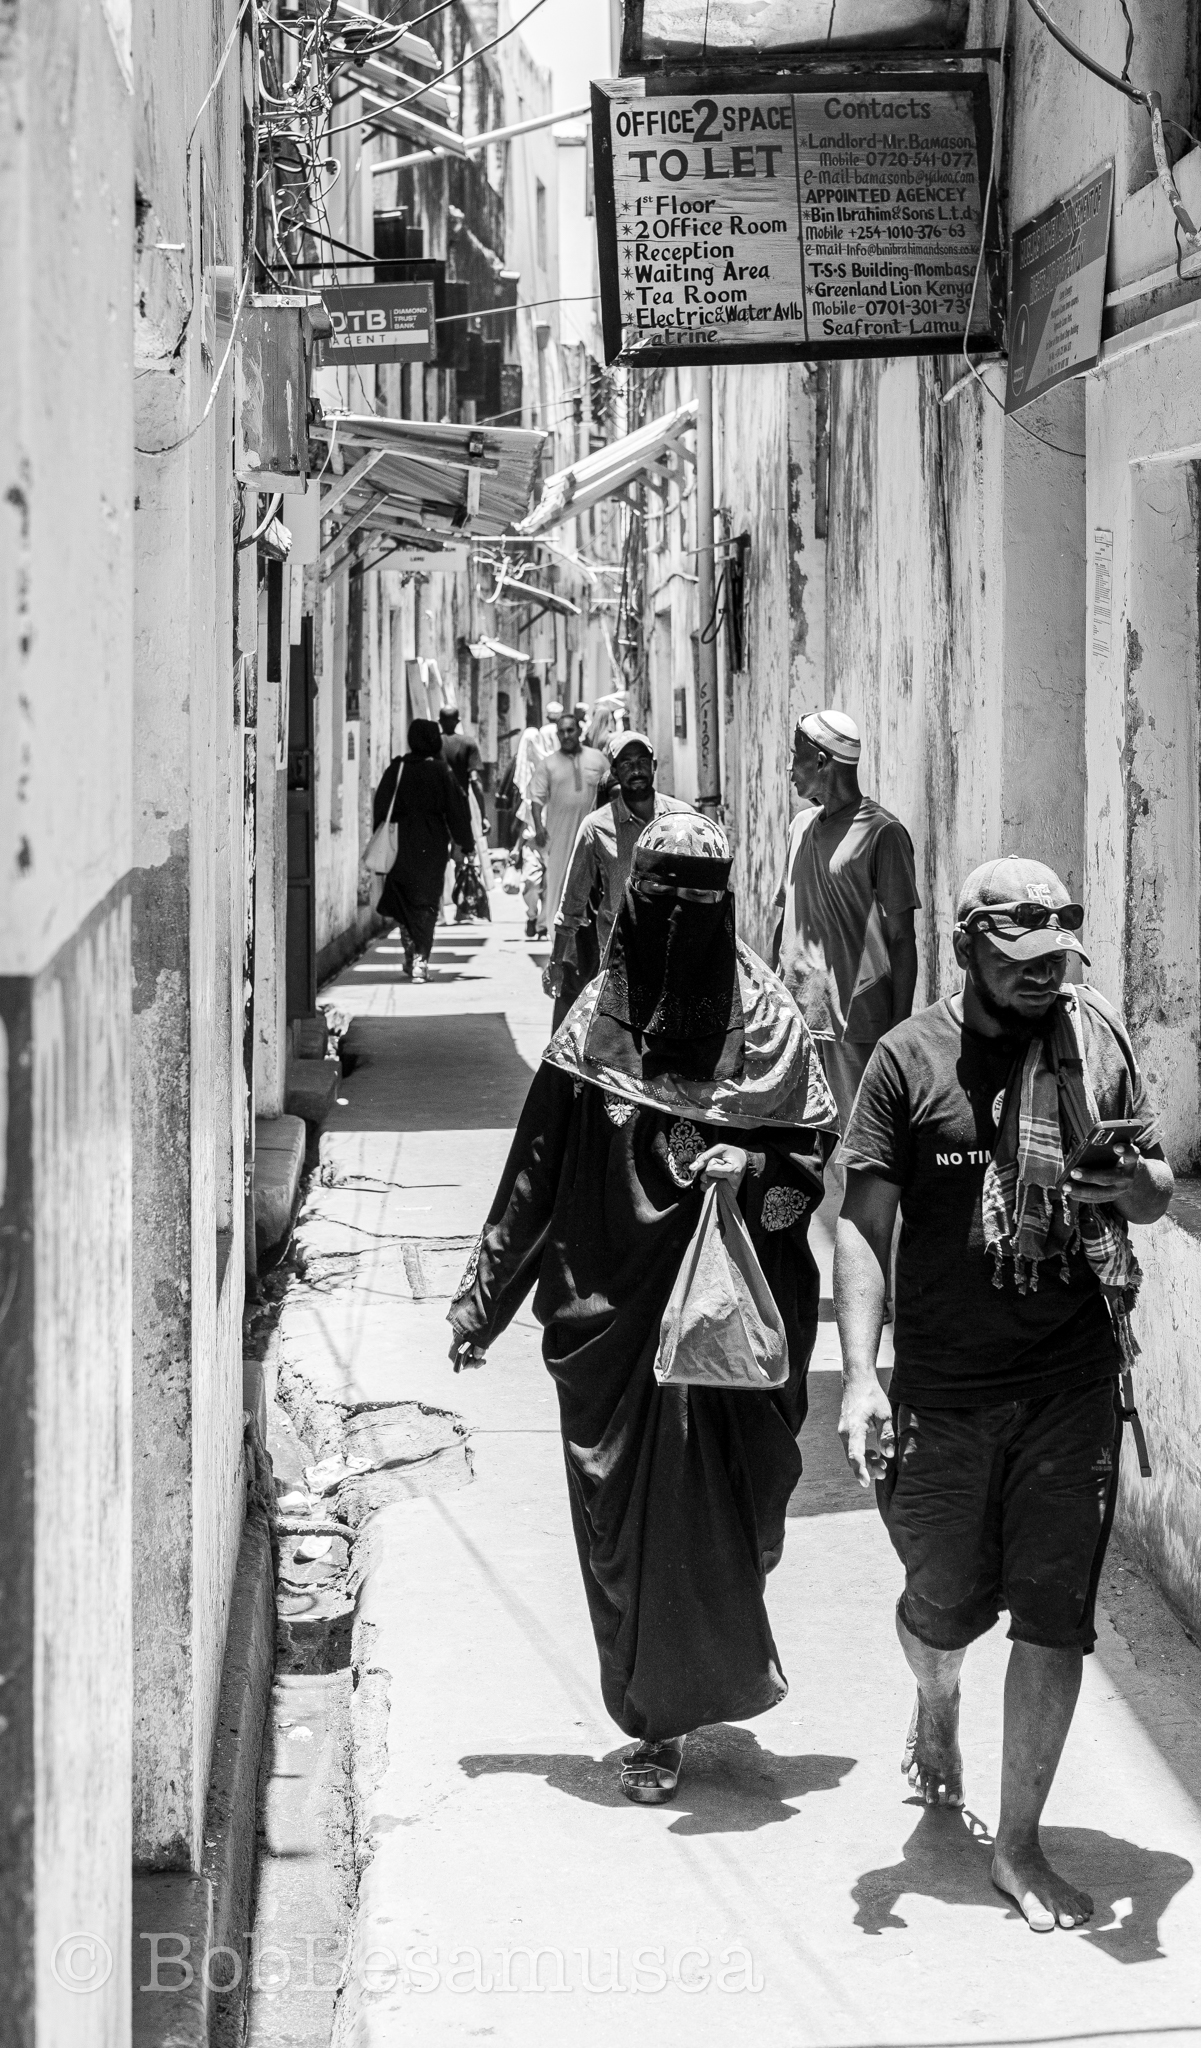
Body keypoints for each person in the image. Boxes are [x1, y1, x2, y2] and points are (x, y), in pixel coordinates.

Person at [447, 815, 838, 1804]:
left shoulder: (770, 1027)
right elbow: (538, 1164)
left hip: (726, 1321)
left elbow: (806, 1163)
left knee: (727, 1516)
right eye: (662, 890)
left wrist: (752, 1166)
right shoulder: (595, 1024)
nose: (680, 912)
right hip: (614, 1320)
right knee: (629, 1525)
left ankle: (697, 1680)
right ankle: (657, 1722)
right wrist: (484, 1296)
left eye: (701, 895)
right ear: (632, 897)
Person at [833, 855, 1174, 1934]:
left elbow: (1157, 1187)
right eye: (1018, 957)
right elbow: (863, 1224)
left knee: (1053, 1618)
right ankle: (935, 1699)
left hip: (1071, 1384)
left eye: (1054, 957)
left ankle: (1018, 1844)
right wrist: (860, 1376)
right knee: (940, 1607)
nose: (1041, 976)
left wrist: (1130, 1183)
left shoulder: (1093, 1045)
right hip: (944, 1394)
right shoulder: (906, 1060)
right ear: (966, 948)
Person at [773, 710, 921, 1133]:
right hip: (795, 1020)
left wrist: (898, 1037)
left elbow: (902, 940)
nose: (790, 769)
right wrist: (768, 996)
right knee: (799, 1150)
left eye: (796, 756)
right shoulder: (800, 826)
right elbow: (785, 920)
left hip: (856, 1027)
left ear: (821, 761)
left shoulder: (883, 833)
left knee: (858, 1146)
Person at [542, 730, 693, 1029]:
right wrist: (557, 962)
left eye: (642, 761)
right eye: (626, 763)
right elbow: (572, 902)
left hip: (677, 955)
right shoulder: (596, 827)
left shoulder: (683, 817)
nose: (636, 769)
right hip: (620, 960)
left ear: (654, 766)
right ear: (614, 770)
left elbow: (710, 889)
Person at [371, 719, 472, 983]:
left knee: (404, 901)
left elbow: (380, 807)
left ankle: (411, 954)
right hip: (432, 846)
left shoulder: (397, 768)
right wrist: (466, 843)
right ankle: (420, 960)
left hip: (400, 846)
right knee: (426, 904)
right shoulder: (441, 771)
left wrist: (381, 835)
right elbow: (457, 809)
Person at [528, 708, 609, 944]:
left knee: (594, 888)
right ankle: (557, 944)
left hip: (595, 838)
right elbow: (536, 799)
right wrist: (539, 829)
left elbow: (612, 790)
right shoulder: (548, 764)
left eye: (570, 730)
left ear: (579, 731)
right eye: (561, 732)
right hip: (560, 838)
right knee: (558, 887)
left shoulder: (598, 759)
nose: (566, 735)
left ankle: (592, 945)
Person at [513, 696, 563, 939]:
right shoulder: (534, 784)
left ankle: (542, 925)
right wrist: (516, 848)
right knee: (532, 883)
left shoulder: (560, 781)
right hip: (533, 844)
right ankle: (532, 915)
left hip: (555, 843)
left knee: (551, 886)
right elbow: (526, 818)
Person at [437, 710, 490, 924]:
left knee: (439, 861)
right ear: (458, 721)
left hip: (437, 810)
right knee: (462, 859)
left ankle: (438, 912)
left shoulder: (434, 744)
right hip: (460, 809)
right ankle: (461, 910)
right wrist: (483, 815)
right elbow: (475, 781)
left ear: (440, 722)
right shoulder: (468, 743)